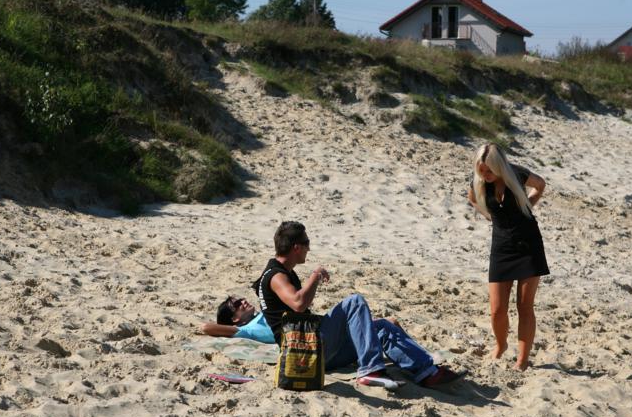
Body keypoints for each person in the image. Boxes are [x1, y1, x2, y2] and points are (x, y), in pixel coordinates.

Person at [255, 221, 465, 389]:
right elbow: (298, 303)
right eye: (307, 243)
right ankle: (370, 370)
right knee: (354, 301)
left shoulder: (284, 273)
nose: (309, 248)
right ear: (296, 247)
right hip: (304, 350)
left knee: (382, 327)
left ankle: (427, 373)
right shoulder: (275, 276)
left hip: (316, 352)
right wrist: (315, 275)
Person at [468, 143, 549, 371]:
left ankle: (522, 361)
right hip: (501, 247)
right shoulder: (479, 181)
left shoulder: (517, 174)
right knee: (497, 309)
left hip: (528, 246)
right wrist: (490, 216)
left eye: (489, 170)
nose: (485, 175)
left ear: (499, 166)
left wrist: (528, 205)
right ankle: (501, 345)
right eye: (482, 170)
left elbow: (540, 185)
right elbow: (472, 198)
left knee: (524, 306)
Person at [200, 295, 275, 344]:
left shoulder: (260, 314)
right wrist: (233, 328)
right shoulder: (247, 330)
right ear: (235, 318)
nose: (244, 301)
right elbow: (206, 327)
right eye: (237, 304)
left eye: (241, 299)